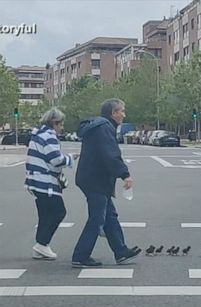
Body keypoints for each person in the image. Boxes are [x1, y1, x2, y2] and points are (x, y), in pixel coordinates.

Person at [72, 98, 141, 268]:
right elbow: (110, 154)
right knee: (97, 218)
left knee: (109, 216)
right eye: (122, 111)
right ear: (114, 113)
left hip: (92, 178)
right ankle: (80, 256)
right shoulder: (104, 128)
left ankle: (121, 251)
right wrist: (125, 174)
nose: (124, 115)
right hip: (95, 180)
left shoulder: (101, 126)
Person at [25, 107, 78, 260]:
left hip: (34, 180)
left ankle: (41, 246)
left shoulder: (37, 135)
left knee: (45, 214)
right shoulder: (49, 136)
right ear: (54, 123)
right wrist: (69, 159)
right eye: (61, 124)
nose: (62, 128)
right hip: (45, 181)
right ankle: (42, 244)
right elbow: (55, 159)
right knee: (58, 211)